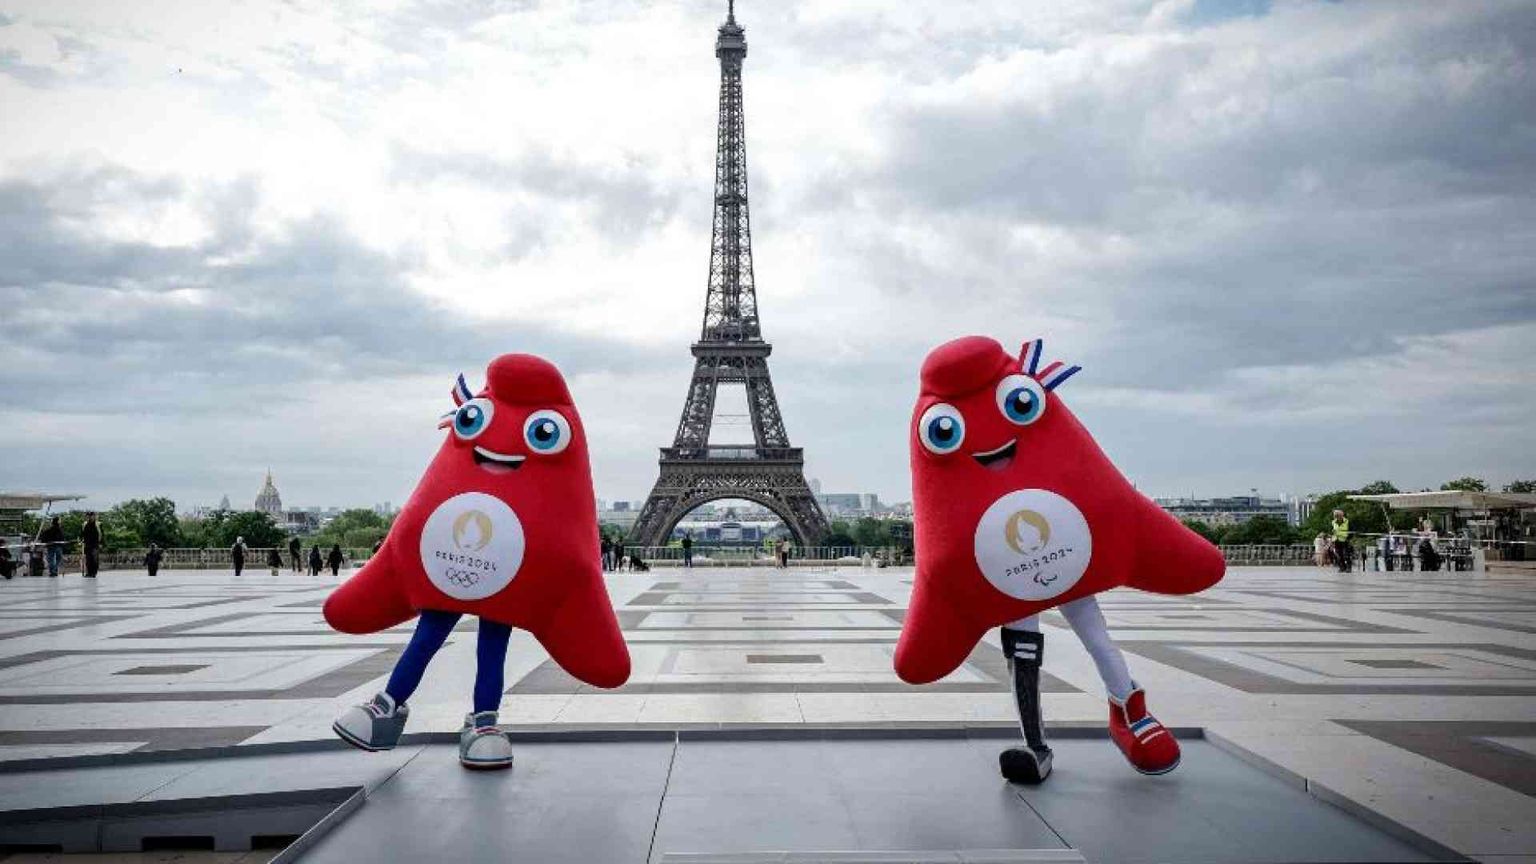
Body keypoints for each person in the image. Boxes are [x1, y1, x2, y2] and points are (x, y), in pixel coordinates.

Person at [80, 512, 102, 578]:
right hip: (87, 544)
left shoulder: (98, 524)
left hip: (95, 544)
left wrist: (101, 543)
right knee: (88, 559)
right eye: (89, 516)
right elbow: (82, 533)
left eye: (92, 516)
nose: (91, 517)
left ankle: (94, 572)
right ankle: (89, 573)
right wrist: (81, 540)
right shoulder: (85, 524)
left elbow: (101, 534)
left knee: (95, 559)